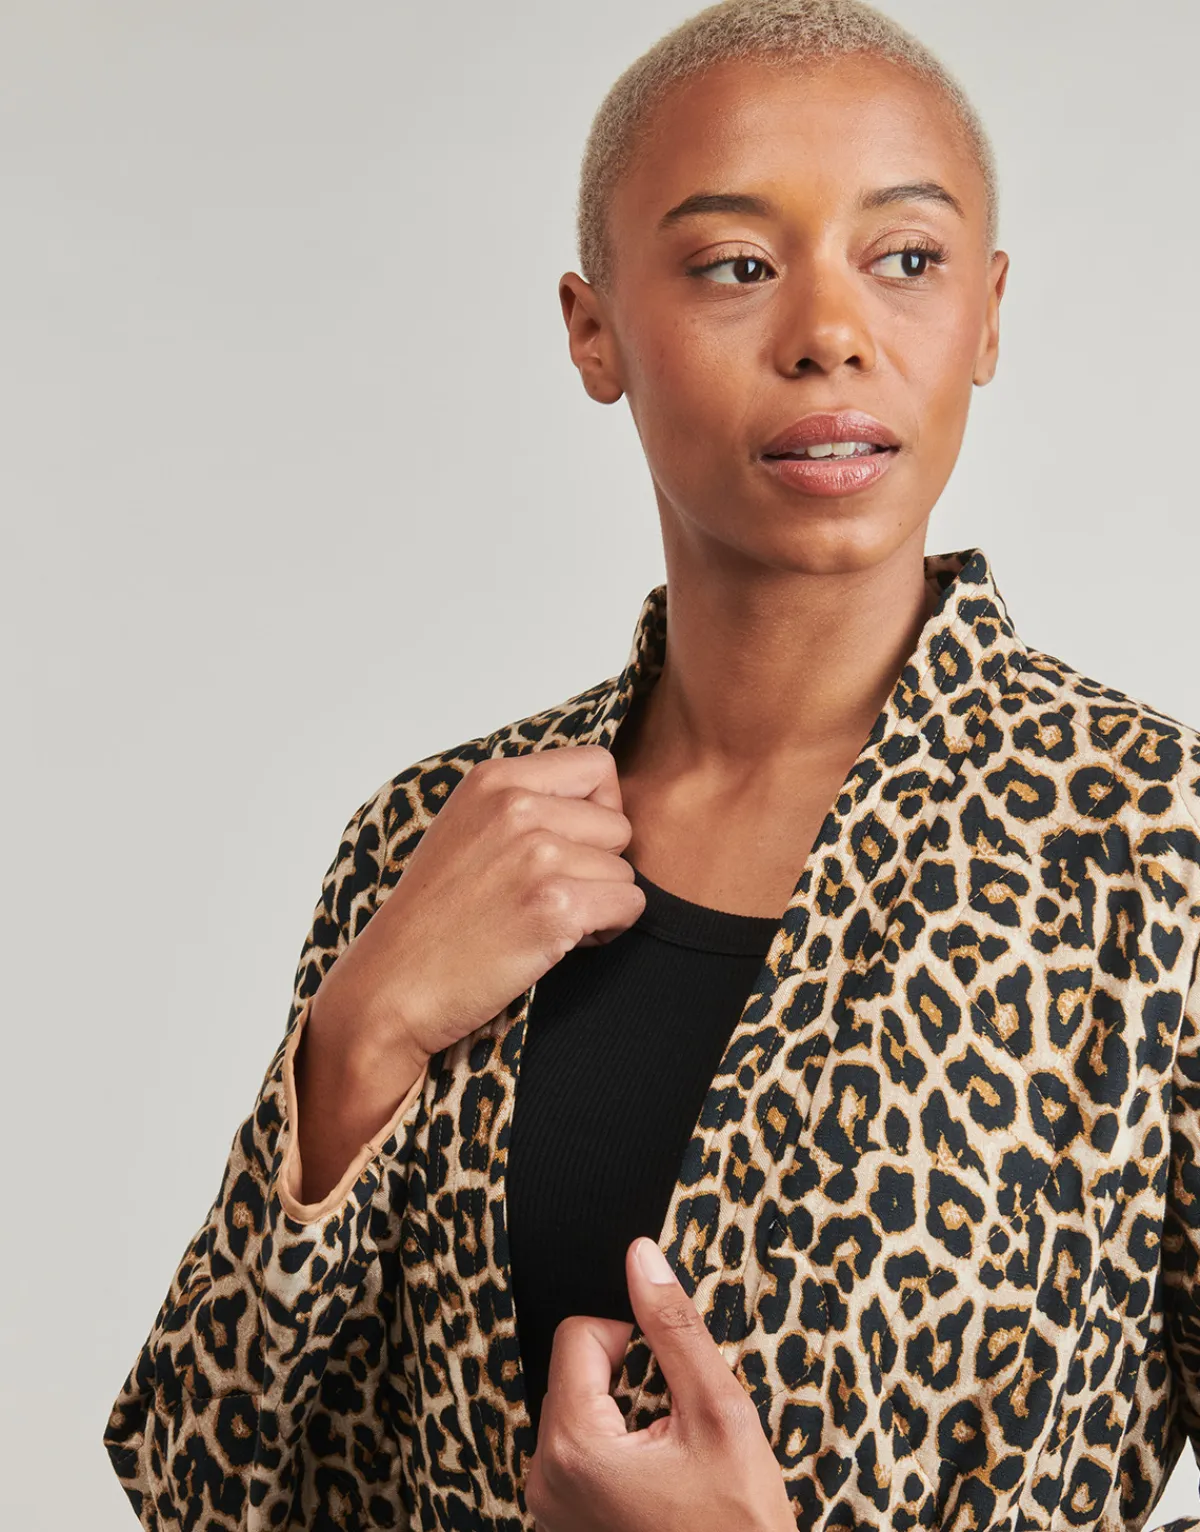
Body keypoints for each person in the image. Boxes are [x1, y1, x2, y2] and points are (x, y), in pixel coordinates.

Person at [103, 1, 1200, 1529]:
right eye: (736, 265)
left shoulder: (1154, 852)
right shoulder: (431, 842)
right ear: (593, 329)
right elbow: (203, 1485)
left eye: (906, 257)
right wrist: (361, 1038)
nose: (829, 332)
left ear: (991, 313)